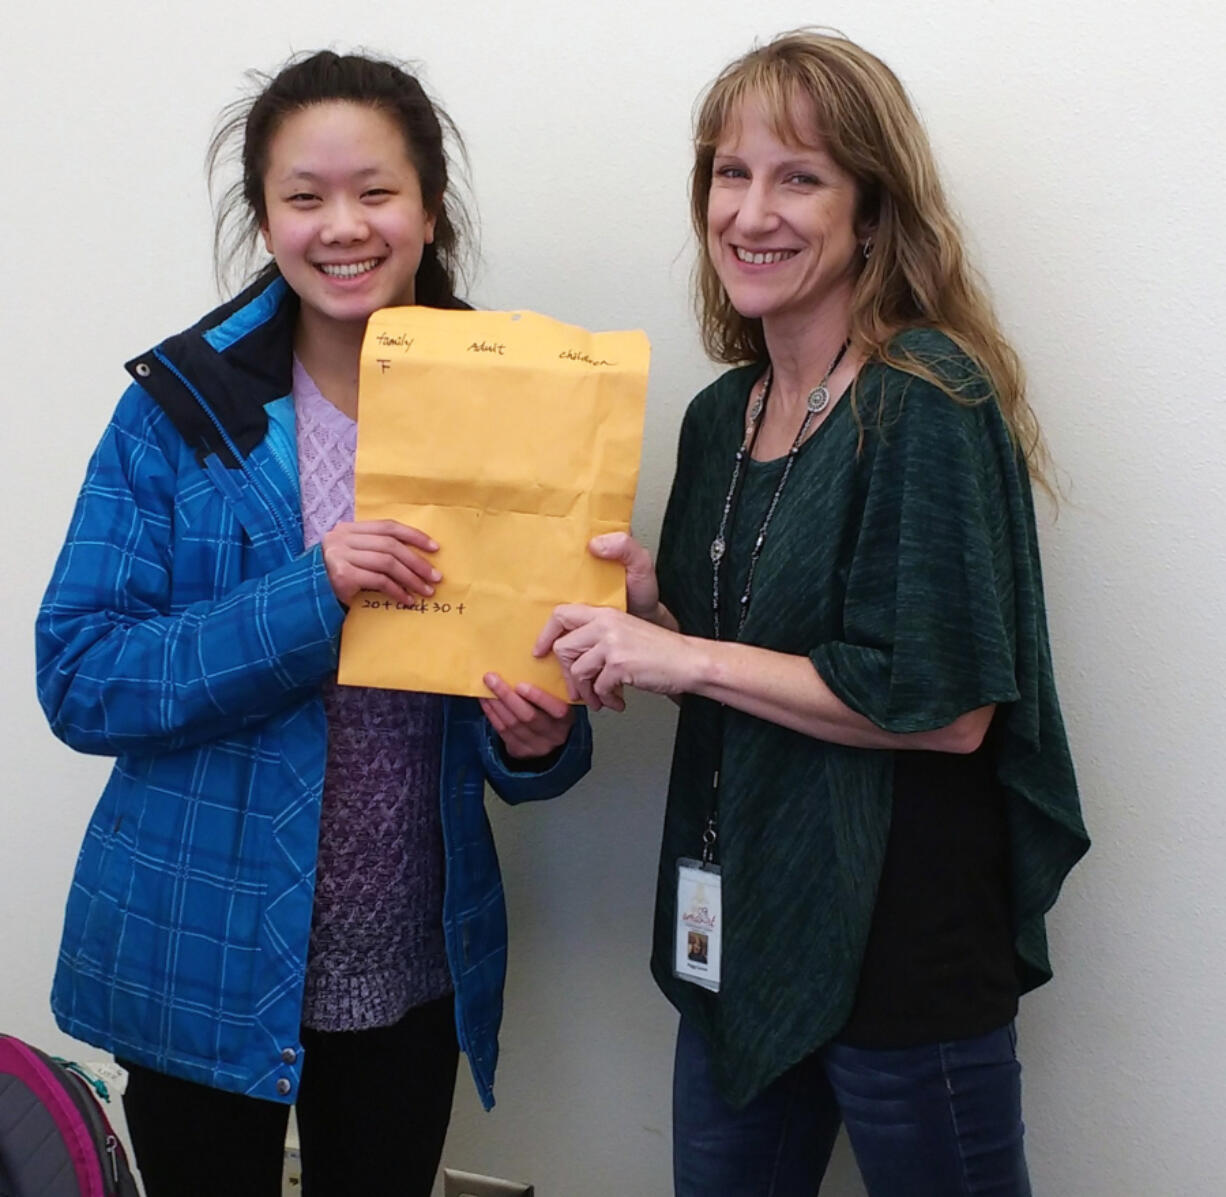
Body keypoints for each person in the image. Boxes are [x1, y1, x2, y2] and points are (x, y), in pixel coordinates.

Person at [537, 30, 1089, 1197]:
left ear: (870, 212)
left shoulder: (924, 399)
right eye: (728, 175)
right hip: (736, 927)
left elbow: (943, 712)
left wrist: (678, 656)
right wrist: (648, 609)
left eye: (799, 176)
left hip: (902, 946)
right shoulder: (716, 415)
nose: (751, 212)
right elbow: (747, 635)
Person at [35, 50, 590, 1197]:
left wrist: (535, 739)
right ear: (265, 217)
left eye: (376, 192)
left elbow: (522, 687)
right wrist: (309, 592)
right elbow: (80, 675)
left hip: (407, 957)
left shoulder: (520, 403)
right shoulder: (178, 411)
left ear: (428, 208)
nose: (344, 227)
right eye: (305, 197)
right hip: (202, 950)